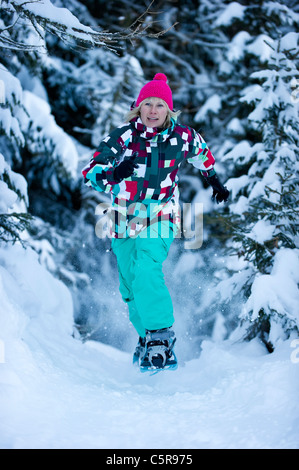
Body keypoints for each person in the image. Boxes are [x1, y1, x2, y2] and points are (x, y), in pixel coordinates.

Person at [82, 73, 229, 372]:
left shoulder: (183, 137)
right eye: (147, 103)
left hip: (161, 213)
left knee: (148, 266)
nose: (152, 110)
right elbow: (91, 170)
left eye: (159, 104)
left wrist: (214, 180)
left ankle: (161, 335)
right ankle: (146, 337)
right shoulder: (123, 136)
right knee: (130, 286)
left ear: (168, 110)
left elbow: (203, 154)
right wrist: (113, 173)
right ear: (138, 108)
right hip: (123, 217)